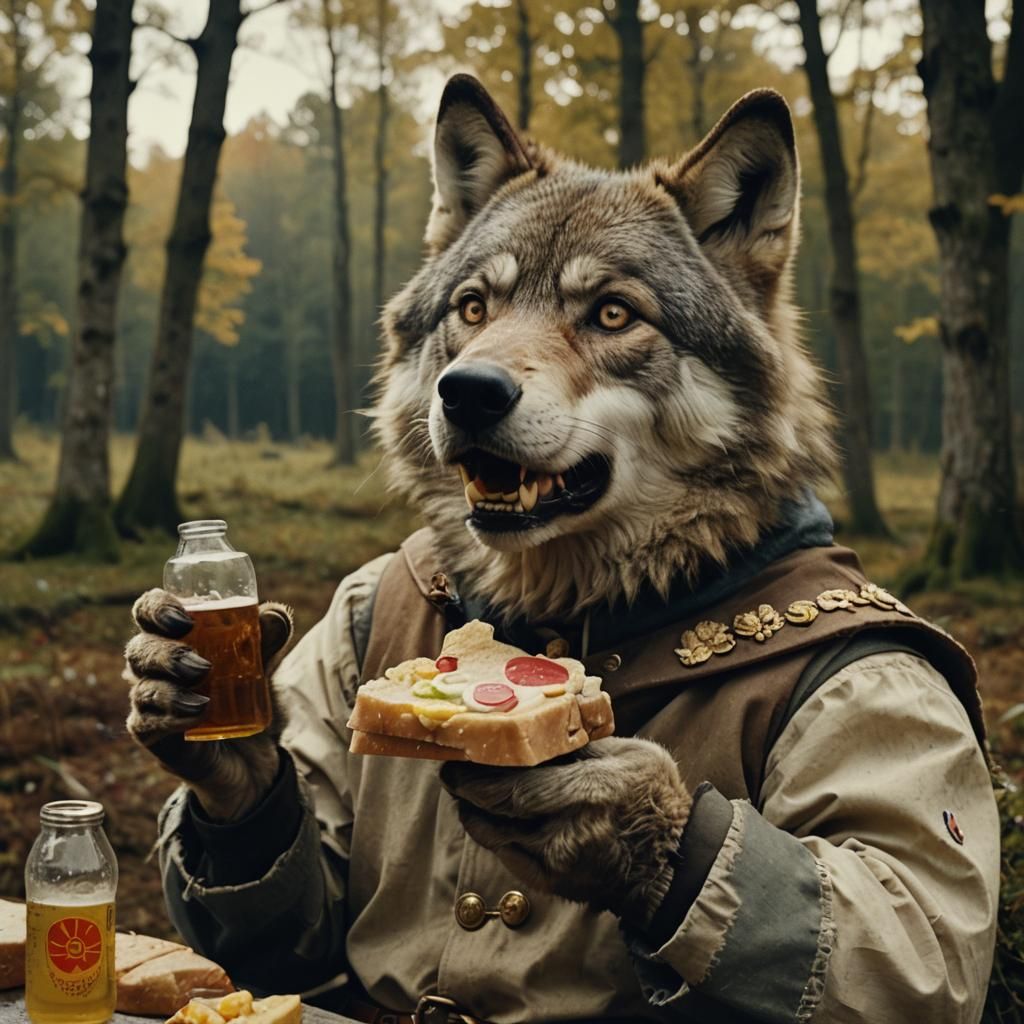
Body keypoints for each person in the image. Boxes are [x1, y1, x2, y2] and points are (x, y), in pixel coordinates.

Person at [125, 77, 999, 1024]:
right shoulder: (381, 616)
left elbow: (930, 977)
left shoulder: (840, 670)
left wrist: (674, 859)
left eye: (611, 314)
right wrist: (244, 795)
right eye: (473, 306)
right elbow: (263, 953)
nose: (483, 368)